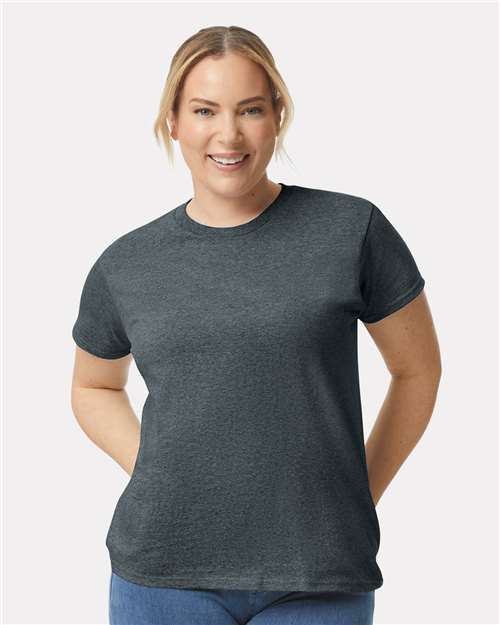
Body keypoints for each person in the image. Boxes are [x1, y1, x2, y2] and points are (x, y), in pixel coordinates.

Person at [70, 25, 441, 625]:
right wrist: (162, 468)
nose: (228, 134)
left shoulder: (351, 230)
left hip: (318, 577)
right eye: (204, 110)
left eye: (250, 110)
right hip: (162, 574)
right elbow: (93, 385)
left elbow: (418, 371)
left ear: (277, 116)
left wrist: (354, 493)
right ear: (173, 121)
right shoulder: (127, 263)